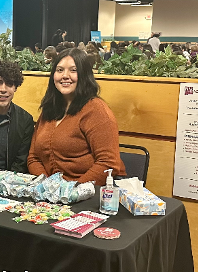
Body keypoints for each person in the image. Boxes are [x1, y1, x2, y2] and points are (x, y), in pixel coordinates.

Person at [27, 48, 125, 186]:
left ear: (84, 75)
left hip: (87, 194)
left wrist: (72, 191)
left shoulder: (97, 110)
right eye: (60, 70)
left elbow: (108, 163)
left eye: (73, 70)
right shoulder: (49, 109)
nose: (65, 76)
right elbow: (33, 158)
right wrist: (46, 186)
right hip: (50, 195)